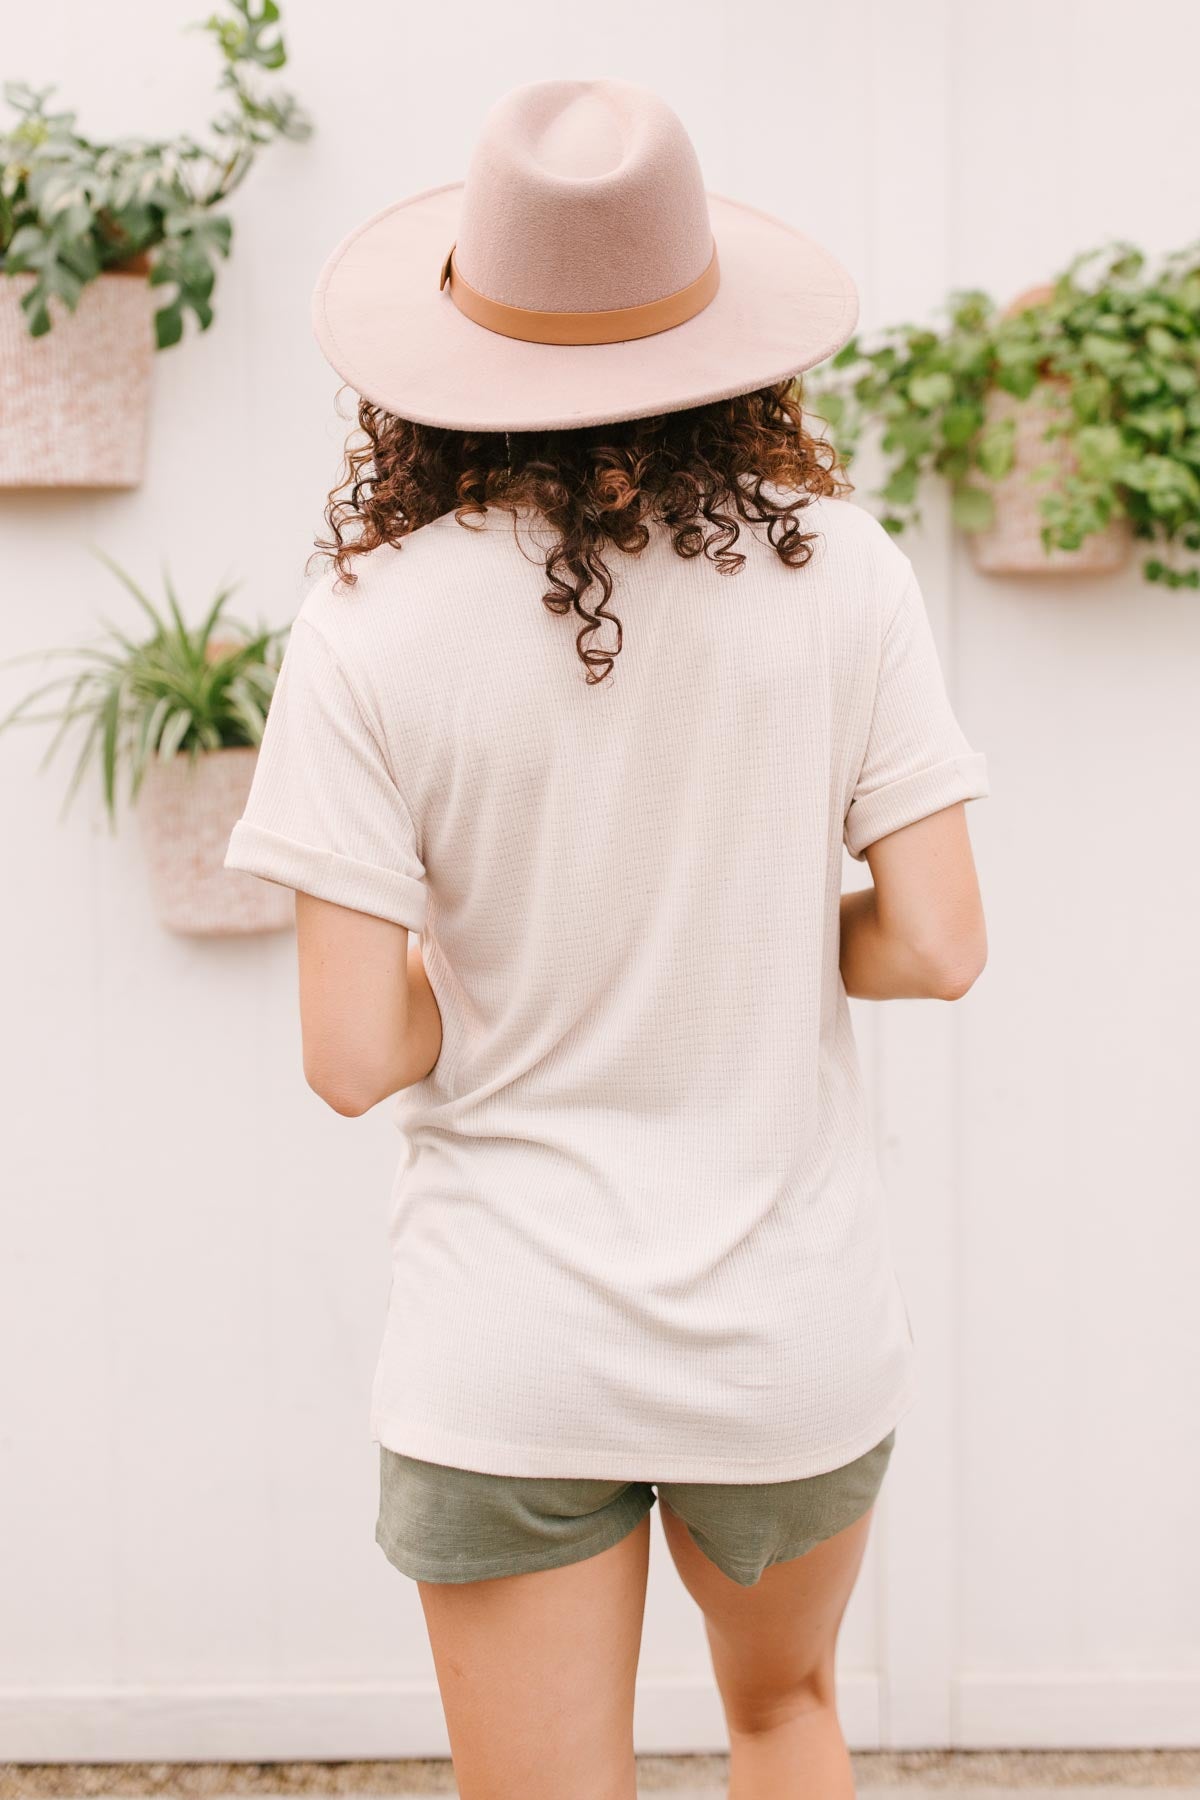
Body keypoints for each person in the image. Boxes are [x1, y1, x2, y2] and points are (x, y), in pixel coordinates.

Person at [225, 76, 989, 1800]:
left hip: (508, 1339)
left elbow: (354, 1056)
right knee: (785, 1715)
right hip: (785, 1330)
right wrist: (756, 936)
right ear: (724, 338)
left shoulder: (362, 625)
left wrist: (510, 969)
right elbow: (940, 942)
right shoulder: (848, 576)